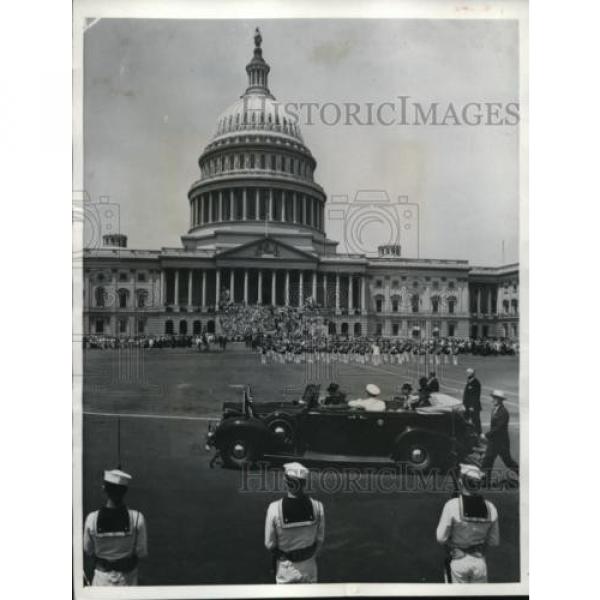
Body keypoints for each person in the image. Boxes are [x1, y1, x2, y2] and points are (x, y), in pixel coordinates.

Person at [436, 464, 500, 583]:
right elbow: (494, 541)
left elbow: (441, 538)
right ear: (478, 485)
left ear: (460, 483)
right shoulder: (491, 507)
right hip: (479, 561)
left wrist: (452, 550)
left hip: (458, 561)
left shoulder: (451, 505)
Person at [83, 469, 148, 586]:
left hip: (101, 581)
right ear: (125, 491)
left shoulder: (91, 519)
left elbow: (88, 550)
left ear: (104, 489)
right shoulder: (138, 518)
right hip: (128, 581)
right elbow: (141, 552)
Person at [264, 462, 325, 583]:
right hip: (309, 568)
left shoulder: (274, 508)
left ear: (286, 482)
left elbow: (269, 544)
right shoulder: (318, 507)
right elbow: (320, 539)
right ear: (305, 483)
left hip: (286, 569)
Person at [481, 390, 519, 477]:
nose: (492, 400)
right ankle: (485, 482)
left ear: (499, 400)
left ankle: (523, 474)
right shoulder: (494, 410)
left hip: (502, 443)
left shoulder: (504, 412)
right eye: (493, 398)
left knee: (508, 462)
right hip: (493, 442)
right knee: (487, 461)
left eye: (494, 399)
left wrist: (486, 435)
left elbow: (498, 428)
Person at [462, 368, 482, 435]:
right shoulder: (469, 381)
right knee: (465, 420)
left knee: (476, 421)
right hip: (467, 406)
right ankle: (467, 434)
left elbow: (476, 396)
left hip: (473, 406)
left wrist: (472, 406)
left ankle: (479, 434)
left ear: (472, 374)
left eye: (468, 373)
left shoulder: (476, 383)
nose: (466, 374)